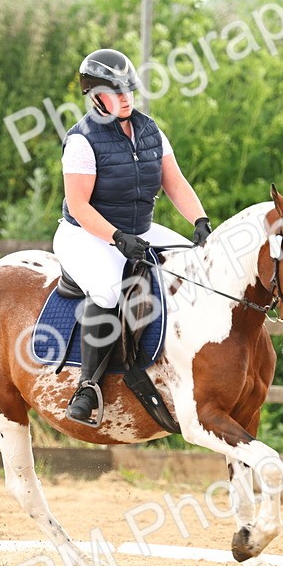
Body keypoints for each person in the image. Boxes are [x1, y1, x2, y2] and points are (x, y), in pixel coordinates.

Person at [53, 48, 212, 425]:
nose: (126, 98)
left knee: (195, 267)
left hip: (138, 229)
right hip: (85, 234)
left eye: (129, 90)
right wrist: (117, 238)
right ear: (95, 96)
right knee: (108, 290)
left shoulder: (150, 130)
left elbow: (175, 183)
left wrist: (200, 220)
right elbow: (79, 206)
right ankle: (88, 388)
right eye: (116, 91)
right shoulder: (82, 141)